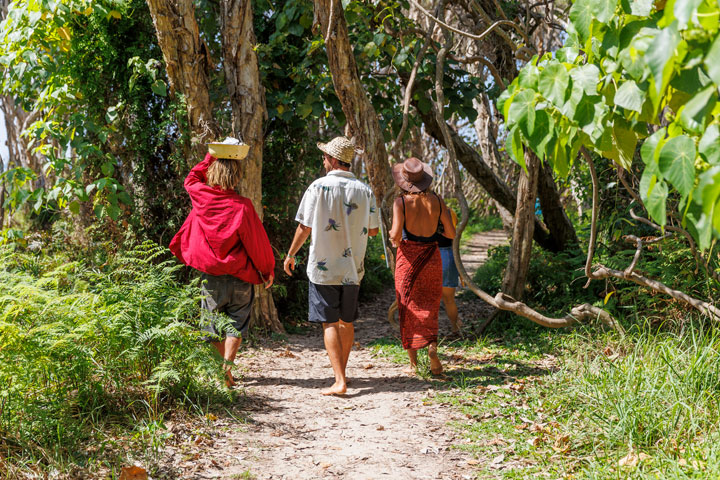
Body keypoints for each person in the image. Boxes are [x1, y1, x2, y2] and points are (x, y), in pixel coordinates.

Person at [170, 138, 275, 388]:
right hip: (240, 276)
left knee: (212, 324)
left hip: (211, 276)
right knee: (236, 322)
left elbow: (190, 179)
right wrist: (267, 270)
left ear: (212, 172)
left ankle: (220, 372)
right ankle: (227, 369)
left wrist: (212, 156)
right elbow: (257, 244)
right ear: (237, 176)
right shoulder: (243, 206)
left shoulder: (201, 197)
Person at [284, 136, 379, 396]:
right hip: (351, 267)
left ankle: (339, 380)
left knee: (328, 323)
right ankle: (342, 374)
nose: (323, 160)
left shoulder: (317, 187)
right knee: (346, 322)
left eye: (325, 157)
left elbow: (305, 227)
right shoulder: (365, 190)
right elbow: (372, 231)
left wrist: (291, 254)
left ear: (334, 160)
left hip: (322, 268)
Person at [389, 157, 455, 376]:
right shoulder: (437, 200)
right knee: (431, 306)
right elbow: (451, 233)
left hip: (408, 259)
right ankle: (433, 350)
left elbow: (396, 234)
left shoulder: (400, 202)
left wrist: (393, 236)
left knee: (407, 307)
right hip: (432, 257)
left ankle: (414, 364)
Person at [437, 208, 462, 333]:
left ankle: (427, 333)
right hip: (447, 254)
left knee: (428, 299)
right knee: (449, 299)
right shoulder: (449, 212)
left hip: (429, 254)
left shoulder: (421, 212)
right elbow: (454, 233)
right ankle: (455, 327)